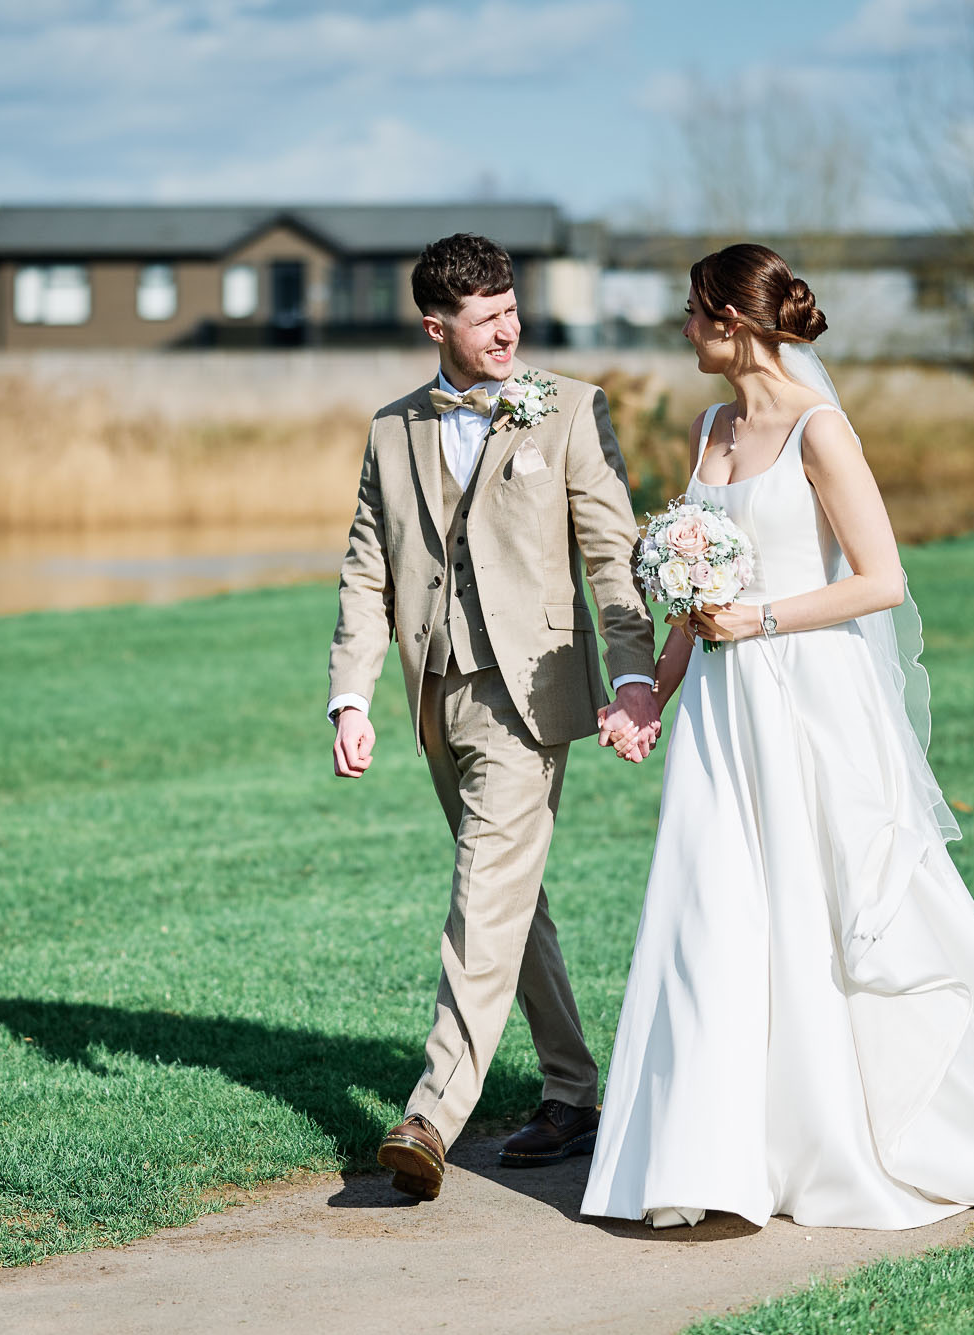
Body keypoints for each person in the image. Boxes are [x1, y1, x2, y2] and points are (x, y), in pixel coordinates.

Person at [581, 243, 974, 1231]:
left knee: (810, 904)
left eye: (690, 313)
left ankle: (830, 1142)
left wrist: (757, 620)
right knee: (712, 912)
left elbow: (879, 580)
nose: (679, 329)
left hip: (804, 695)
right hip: (719, 711)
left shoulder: (818, 429)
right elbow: (688, 597)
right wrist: (649, 697)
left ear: (731, 323)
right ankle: (710, 1161)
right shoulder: (711, 428)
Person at [325, 232, 660, 1202]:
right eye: (484, 316)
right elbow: (365, 569)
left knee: (482, 898)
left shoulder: (570, 410)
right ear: (436, 326)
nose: (508, 326)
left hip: (531, 694)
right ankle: (570, 1092)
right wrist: (352, 694)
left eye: (512, 306)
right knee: (513, 902)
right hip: (438, 696)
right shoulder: (392, 430)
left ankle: (431, 1114)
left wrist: (631, 675)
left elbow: (611, 552)